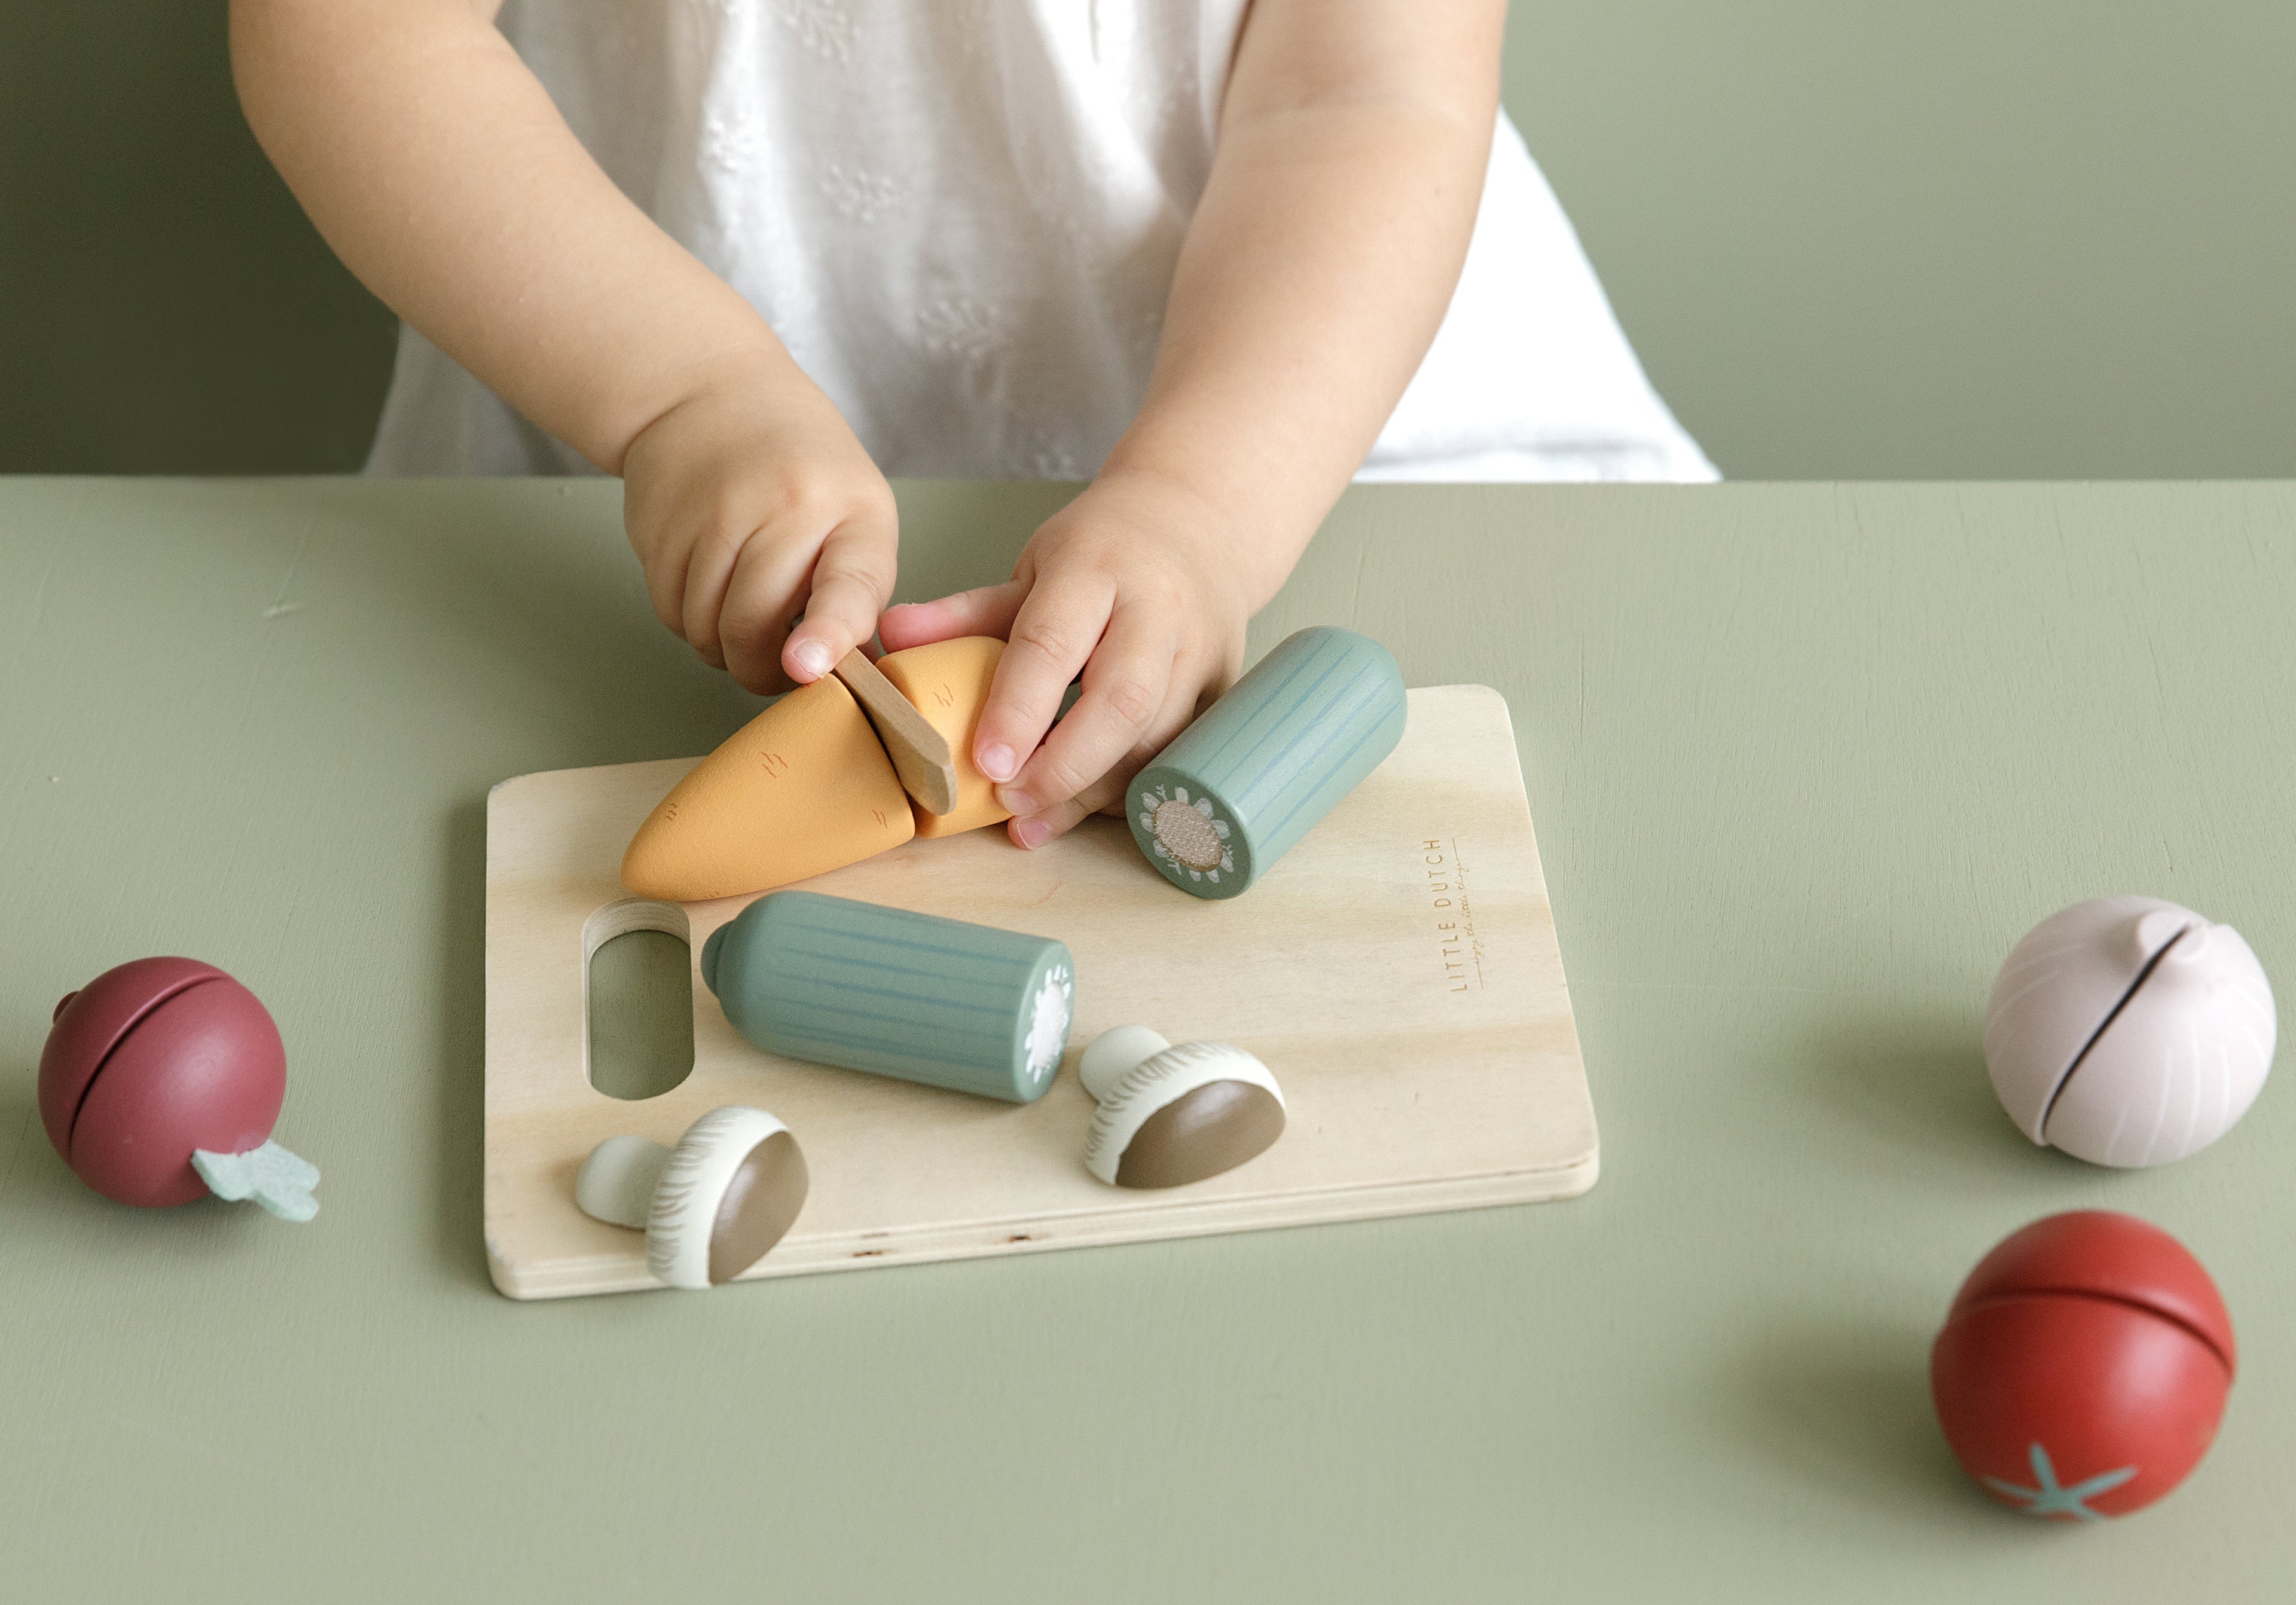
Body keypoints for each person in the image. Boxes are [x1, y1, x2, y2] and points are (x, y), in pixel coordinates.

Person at [232, 0, 1712, 848]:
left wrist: (1205, 506)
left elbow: (1367, 97)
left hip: (1315, 433)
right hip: (634, 433)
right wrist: (683, 395)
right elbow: (356, 41)